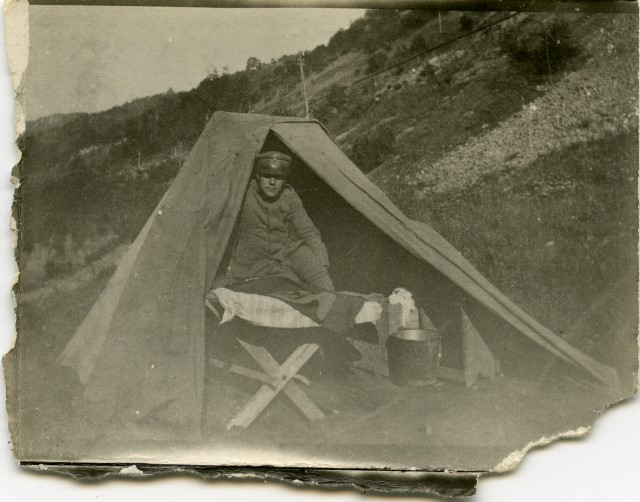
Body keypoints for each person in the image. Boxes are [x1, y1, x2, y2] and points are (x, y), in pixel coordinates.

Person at [224, 151, 334, 291]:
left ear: (285, 180)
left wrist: (322, 263)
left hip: (287, 252)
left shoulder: (289, 195)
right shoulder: (244, 193)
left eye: (278, 177)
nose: (272, 182)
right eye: (267, 176)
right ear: (257, 176)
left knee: (323, 283)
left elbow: (308, 231)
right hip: (253, 258)